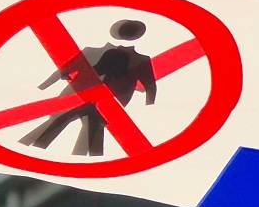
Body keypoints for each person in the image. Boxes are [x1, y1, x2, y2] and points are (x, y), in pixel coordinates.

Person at [22, 19, 158, 157]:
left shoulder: (132, 58)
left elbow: (149, 85)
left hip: (96, 100)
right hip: (96, 100)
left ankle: (48, 150)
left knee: (77, 123)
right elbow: (150, 86)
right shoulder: (138, 59)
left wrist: (149, 105)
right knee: (85, 126)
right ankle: (85, 158)